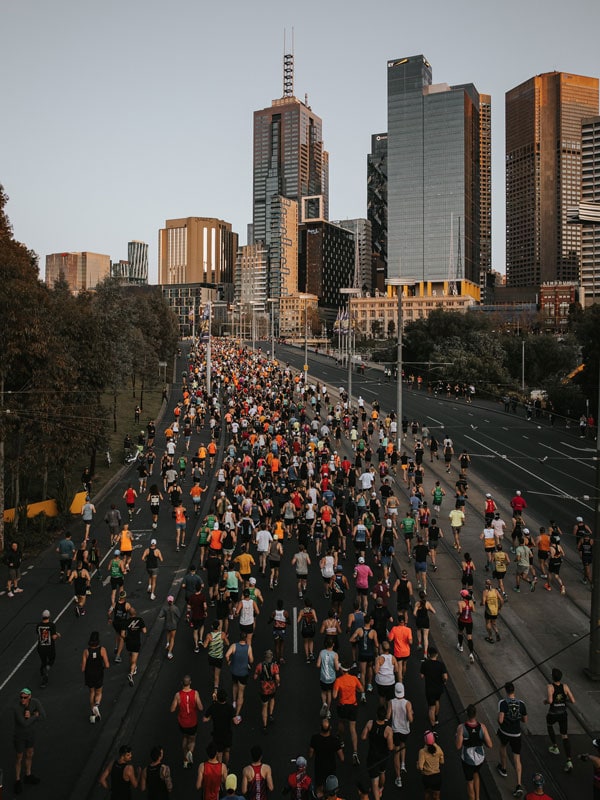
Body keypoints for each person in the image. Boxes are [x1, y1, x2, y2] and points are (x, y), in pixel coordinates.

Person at [496, 681, 528, 797]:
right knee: (517, 758)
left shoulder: (502, 703)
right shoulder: (521, 704)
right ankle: (518, 784)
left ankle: (503, 768)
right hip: (516, 734)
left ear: (506, 690)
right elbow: (525, 720)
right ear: (514, 690)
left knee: (503, 746)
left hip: (505, 732)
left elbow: (500, 720)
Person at [12, 688, 46, 795]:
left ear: (29, 697)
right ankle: (17, 780)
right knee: (19, 757)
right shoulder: (16, 708)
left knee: (29, 754)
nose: (23, 699)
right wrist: (35, 716)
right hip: (19, 736)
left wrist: (31, 716)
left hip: (30, 735)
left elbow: (43, 716)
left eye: (25, 697)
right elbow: (24, 724)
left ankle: (28, 775)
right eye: (21, 697)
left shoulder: (35, 702)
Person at [456, 704, 492, 800]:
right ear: (475, 714)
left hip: (467, 760)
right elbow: (490, 745)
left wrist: (458, 736)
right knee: (476, 773)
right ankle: (477, 798)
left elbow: (458, 746)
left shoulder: (461, 728)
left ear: (467, 714)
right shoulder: (482, 727)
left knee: (469, 782)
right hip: (479, 759)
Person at [545, 667, 575, 773]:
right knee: (564, 735)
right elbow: (573, 700)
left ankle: (555, 746)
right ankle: (569, 760)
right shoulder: (565, 686)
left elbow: (550, 700)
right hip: (563, 714)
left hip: (553, 713)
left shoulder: (550, 687)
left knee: (549, 725)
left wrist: (545, 701)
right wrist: (564, 701)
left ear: (552, 677)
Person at [361, 705, 394, 800]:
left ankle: (377, 793)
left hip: (372, 757)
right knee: (382, 772)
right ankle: (381, 788)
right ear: (385, 717)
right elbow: (390, 747)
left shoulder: (370, 723)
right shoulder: (388, 730)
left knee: (374, 783)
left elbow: (363, 737)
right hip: (383, 757)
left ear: (376, 715)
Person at [170, 674, 203, 769]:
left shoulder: (178, 695)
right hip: (192, 722)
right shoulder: (195, 693)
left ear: (182, 683)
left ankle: (185, 760)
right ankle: (190, 752)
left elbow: (172, 709)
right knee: (192, 740)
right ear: (190, 683)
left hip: (182, 723)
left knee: (184, 737)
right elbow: (201, 707)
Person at [333, 663, 363, 765]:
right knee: (353, 729)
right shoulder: (354, 679)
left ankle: (341, 741)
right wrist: (355, 689)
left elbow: (334, 696)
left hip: (342, 706)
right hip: (353, 706)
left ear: (342, 670)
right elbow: (361, 689)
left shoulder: (338, 680)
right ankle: (355, 752)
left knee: (341, 723)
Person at [387, 682, 413, 788]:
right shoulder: (407, 703)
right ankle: (403, 764)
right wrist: (411, 714)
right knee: (403, 745)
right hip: (405, 730)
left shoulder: (391, 702)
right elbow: (410, 719)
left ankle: (398, 778)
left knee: (396, 752)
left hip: (395, 730)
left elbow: (388, 716)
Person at [308, 718, 344, 795]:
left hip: (319, 767)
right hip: (331, 768)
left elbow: (310, 755)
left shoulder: (315, 738)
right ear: (330, 728)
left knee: (319, 789)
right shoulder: (335, 740)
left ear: (320, 727)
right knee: (332, 789)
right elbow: (342, 758)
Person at [82, 631, 110, 723]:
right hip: (98, 674)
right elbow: (107, 665)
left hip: (89, 675)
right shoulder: (102, 650)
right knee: (99, 692)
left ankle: (93, 713)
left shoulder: (86, 651)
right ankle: (96, 705)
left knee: (92, 693)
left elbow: (83, 668)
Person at [226, 631, 253, 724]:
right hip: (243, 673)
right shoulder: (248, 647)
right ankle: (237, 714)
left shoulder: (234, 646)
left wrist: (229, 661)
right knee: (241, 693)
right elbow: (251, 660)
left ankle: (234, 701)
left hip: (234, 671)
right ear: (245, 639)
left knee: (234, 684)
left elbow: (227, 655)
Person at [420, 647, 448, 729]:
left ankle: (433, 727)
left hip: (430, 689)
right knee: (437, 701)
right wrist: (444, 681)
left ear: (429, 655)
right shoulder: (441, 664)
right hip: (439, 688)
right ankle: (436, 717)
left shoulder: (425, 664)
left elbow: (421, 676)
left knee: (431, 708)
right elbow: (445, 677)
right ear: (437, 655)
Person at [254, 648, 280, 732]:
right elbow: (277, 678)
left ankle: (264, 726)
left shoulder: (259, 665)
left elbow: (255, 677)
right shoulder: (274, 666)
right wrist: (277, 683)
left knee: (264, 706)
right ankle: (271, 714)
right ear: (271, 657)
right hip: (272, 687)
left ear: (265, 657)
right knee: (272, 699)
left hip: (263, 688)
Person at [417, 730, 444, 800]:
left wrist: (417, 764)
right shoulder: (438, 749)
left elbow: (420, 767)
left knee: (427, 794)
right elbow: (442, 762)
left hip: (427, 777)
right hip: (437, 777)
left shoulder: (422, 751)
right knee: (437, 796)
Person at [36, 609, 60, 688]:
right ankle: (47, 667)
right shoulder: (51, 625)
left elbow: (39, 633)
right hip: (49, 647)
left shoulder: (39, 625)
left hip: (41, 647)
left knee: (43, 661)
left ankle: (44, 676)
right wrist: (57, 635)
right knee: (52, 658)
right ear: (49, 616)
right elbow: (53, 637)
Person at [124, 608, 147, 686]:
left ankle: (132, 667)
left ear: (129, 614)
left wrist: (125, 638)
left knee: (130, 654)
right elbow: (144, 631)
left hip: (129, 642)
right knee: (134, 661)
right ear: (135, 613)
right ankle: (131, 673)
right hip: (136, 642)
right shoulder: (140, 620)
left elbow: (123, 633)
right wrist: (138, 630)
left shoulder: (126, 621)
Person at [388, 612, 412, 679]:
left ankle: (400, 680)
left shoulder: (394, 629)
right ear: (404, 621)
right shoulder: (408, 630)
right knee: (404, 665)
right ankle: (403, 676)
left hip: (398, 652)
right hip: (406, 652)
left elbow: (390, 639)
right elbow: (410, 642)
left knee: (399, 666)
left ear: (398, 621)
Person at [414, 591, 436, 655]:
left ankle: (419, 643)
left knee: (418, 630)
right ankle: (425, 653)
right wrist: (428, 609)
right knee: (425, 636)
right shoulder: (427, 603)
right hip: (426, 620)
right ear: (425, 596)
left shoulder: (417, 603)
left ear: (419, 596)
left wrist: (417, 616)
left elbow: (414, 613)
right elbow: (434, 611)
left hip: (419, 620)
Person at [159, 594, 181, 659]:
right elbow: (179, 616)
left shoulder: (165, 608)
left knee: (168, 633)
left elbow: (160, 616)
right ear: (173, 601)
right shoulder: (175, 608)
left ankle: (167, 643)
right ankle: (169, 652)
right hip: (173, 625)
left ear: (167, 601)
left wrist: (165, 614)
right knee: (172, 638)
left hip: (167, 624)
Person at [457, 589, 476, 664]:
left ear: (462, 596)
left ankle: (461, 646)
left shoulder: (460, 603)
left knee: (460, 632)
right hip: (469, 621)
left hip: (462, 620)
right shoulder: (471, 602)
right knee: (469, 637)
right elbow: (474, 610)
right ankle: (471, 653)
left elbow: (460, 611)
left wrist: (457, 613)